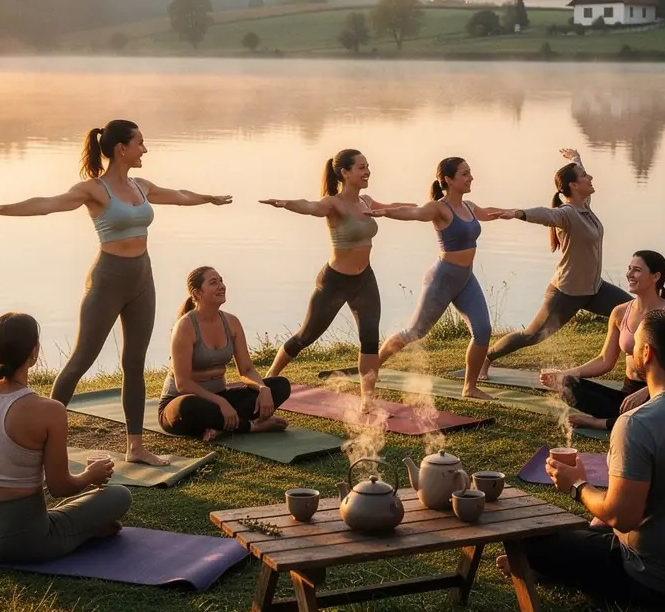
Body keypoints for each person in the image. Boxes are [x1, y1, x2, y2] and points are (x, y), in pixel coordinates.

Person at [0, 119, 232, 466]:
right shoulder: (94, 190)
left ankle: (136, 447)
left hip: (141, 279)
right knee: (80, 361)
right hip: (107, 280)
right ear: (122, 149)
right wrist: (1, 209)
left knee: (134, 363)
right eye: (140, 144)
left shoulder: (142, 186)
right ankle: (42, 441)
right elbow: (48, 202)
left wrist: (207, 199)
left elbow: (177, 196)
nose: (145, 149)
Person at [500, 309, 665, 605]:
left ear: (647, 353)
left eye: (635, 346)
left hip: (659, 578)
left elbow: (622, 518)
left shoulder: (636, 423)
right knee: (595, 526)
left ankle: (542, 565)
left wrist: (578, 486)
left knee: (530, 539)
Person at [0, 312, 131, 564]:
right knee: (120, 496)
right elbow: (59, 487)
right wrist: (91, 475)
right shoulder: (50, 410)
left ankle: (75, 527)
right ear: (33, 352)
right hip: (23, 542)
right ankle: (83, 530)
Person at [260, 148, 411, 413]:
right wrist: (287, 204)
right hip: (335, 282)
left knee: (369, 339)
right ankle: (267, 380)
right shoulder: (334, 204)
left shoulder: (366, 202)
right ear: (345, 173)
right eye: (361, 167)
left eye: (368, 166)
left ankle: (367, 400)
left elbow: (393, 208)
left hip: (364, 280)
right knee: (305, 337)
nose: (367, 172)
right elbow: (310, 206)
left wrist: (427, 208)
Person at [376, 157, 519, 400]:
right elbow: (414, 213)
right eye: (465, 174)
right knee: (414, 332)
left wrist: (511, 213)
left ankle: (470, 388)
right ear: (449, 180)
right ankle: (373, 365)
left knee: (483, 331)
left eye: (470, 172)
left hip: (466, 279)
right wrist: (385, 212)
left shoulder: (470, 207)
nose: (471, 177)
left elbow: (487, 213)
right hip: (442, 278)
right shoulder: (439, 208)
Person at [483, 148, 630, 378]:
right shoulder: (567, 213)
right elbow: (545, 215)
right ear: (573, 186)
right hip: (566, 292)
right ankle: (486, 357)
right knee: (532, 336)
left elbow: (577, 179)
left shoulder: (585, 206)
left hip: (594, 289)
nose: (590, 178)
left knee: (634, 312)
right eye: (584, 176)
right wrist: (518, 213)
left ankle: (642, 367)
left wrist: (576, 159)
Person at [539, 251, 665, 430]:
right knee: (567, 385)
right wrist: (565, 373)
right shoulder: (620, 312)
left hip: (661, 393)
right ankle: (622, 418)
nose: (629, 275)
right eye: (629, 269)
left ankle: (599, 422)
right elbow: (605, 360)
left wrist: (647, 390)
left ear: (656, 276)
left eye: (637, 270)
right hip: (627, 394)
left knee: (655, 416)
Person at [158, 266, 292, 440]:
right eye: (213, 282)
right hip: (181, 402)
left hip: (220, 398)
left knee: (280, 385)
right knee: (187, 406)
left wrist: (262, 388)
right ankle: (250, 426)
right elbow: (183, 384)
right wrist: (220, 402)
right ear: (197, 293)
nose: (221, 286)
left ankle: (216, 425)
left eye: (221, 281)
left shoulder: (231, 322)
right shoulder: (185, 327)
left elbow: (246, 370)